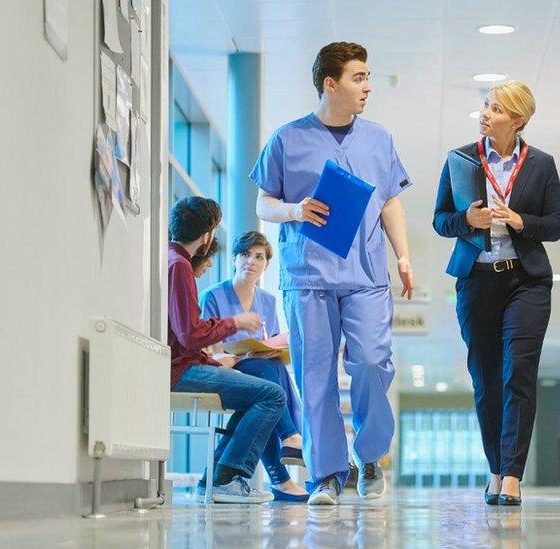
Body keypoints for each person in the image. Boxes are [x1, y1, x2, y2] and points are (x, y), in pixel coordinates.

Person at [253, 41, 414, 505]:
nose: (367, 86)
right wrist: (294, 209)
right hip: (307, 274)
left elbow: (389, 200)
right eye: (359, 77)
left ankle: (369, 456)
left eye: (368, 77)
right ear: (331, 83)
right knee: (314, 375)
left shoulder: (379, 139)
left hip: (365, 273)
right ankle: (325, 475)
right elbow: (262, 202)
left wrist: (402, 255)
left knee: (370, 363)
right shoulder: (287, 138)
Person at [433, 81, 560, 506]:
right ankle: (495, 468)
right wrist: (466, 219)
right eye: (485, 105)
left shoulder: (541, 164)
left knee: (518, 375)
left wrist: (521, 220)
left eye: (495, 108)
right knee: (486, 379)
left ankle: (512, 475)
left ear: (518, 120)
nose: (485, 113)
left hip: (526, 281)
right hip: (477, 281)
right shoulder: (460, 159)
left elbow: (557, 225)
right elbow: (440, 219)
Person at [167, 196, 286, 504]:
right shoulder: (179, 266)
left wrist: (212, 361)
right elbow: (190, 334)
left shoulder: (172, 261)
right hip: (180, 372)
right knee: (272, 394)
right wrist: (235, 322)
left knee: (262, 389)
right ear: (207, 236)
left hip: (184, 364)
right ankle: (229, 478)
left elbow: (183, 338)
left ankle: (214, 480)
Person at [200, 231, 310, 503]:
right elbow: (207, 347)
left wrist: (273, 349)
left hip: (258, 369)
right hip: (225, 368)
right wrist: (236, 357)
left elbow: (269, 341)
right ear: (234, 259)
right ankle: (288, 449)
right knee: (270, 385)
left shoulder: (268, 301)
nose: (252, 261)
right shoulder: (212, 296)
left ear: (266, 264)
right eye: (246, 255)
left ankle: (210, 480)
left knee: (269, 381)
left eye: (259, 256)